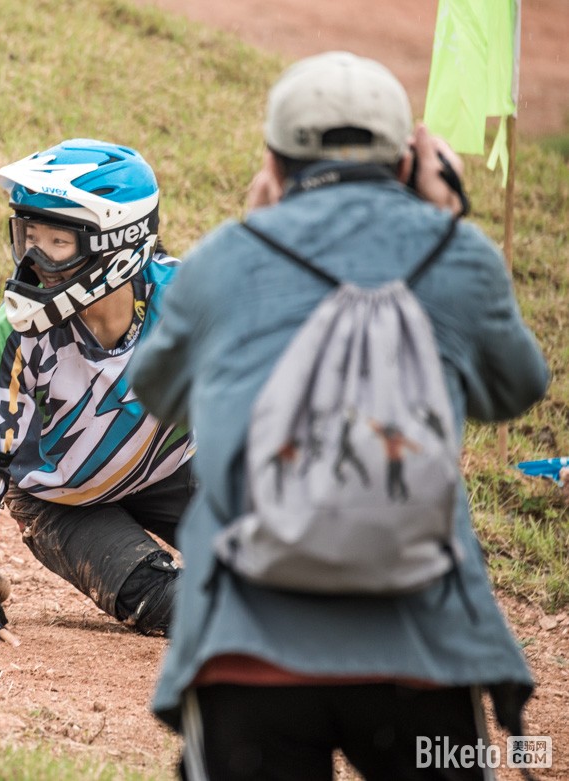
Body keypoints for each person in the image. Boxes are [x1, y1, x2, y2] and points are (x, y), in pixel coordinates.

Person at [129, 51, 548, 780]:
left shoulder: (224, 259)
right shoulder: (457, 254)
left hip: (248, 646)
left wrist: (253, 236)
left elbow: (158, 393)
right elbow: (515, 388)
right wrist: (447, 220)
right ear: (409, 160)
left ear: (273, 159)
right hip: (420, 648)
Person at [0, 139, 196, 649]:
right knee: (180, 605)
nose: (33, 260)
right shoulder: (15, 335)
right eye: (27, 236)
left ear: (119, 247)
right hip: (62, 501)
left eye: (58, 242)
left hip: (171, 472)